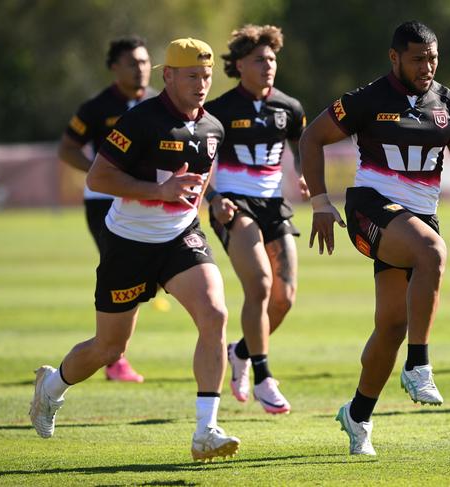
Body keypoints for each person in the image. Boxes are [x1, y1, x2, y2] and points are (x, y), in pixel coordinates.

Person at [31, 38, 241, 462]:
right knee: (109, 349)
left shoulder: (213, 127)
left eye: (206, 76)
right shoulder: (140, 120)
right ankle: (51, 388)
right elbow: (98, 178)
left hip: (181, 237)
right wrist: (158, 190)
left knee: (215, 314)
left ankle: (206, 429)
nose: (201, 84)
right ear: (168, 76)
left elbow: (199, 177)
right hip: (128, 243)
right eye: (192, 77)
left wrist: (215, 197)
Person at [299, 21, 450, 455]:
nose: (427, 67)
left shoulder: (448, 102)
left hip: (419, 216)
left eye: (433, 58)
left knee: (391, 325)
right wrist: (321, 203)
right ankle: (419, 365)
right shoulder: (366, 99)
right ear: (394, 57)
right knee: (432, 253)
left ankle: (358, 415)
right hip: (370, 206)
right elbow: (312, 138)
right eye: (418, 58)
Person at [203, 24, 308, 414]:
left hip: (273, 205)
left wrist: (303, 173)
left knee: (284, 297)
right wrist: (213, 198)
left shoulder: (289, 107)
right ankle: (264, 377)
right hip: (234, 204)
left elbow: (303, 146)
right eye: (259, 60)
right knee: (260, 284)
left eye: (272, 59)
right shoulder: (217, 112)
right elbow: (196, 165)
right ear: (239, 66)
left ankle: (241, 352)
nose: (268, 65)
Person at [58, 35, 157, 383]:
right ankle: (114, 357)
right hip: (104, 204)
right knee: (124, 275)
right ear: (115, 68)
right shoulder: (96, 107)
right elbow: (67, 149)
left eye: (145, 62)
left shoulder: (159, 105)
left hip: (147, 202)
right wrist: (102, 175)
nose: (141, 69)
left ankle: (113, 351)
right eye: (132, 63)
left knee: (151, 275)